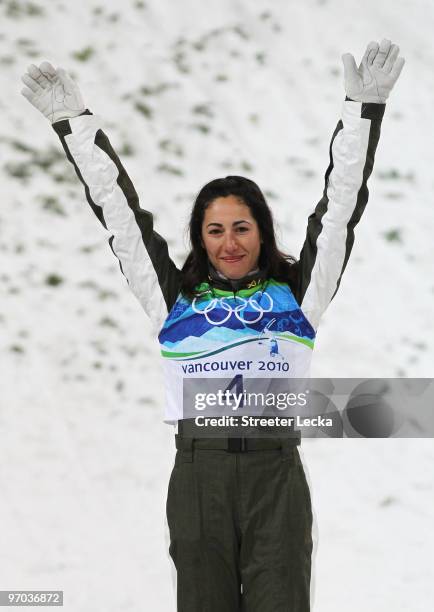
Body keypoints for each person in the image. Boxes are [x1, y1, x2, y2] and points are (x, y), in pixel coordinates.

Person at [21, 38, 405, 611]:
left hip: (276, 477)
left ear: (262, 232)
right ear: (200, 237)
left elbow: (339, 209)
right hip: (199, 479)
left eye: (242, 228)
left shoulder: (298, 294)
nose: (230, 242)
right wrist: (74, 124)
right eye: (216, 229)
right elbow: (120, 214)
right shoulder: (173, 299)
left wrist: (361, 114)